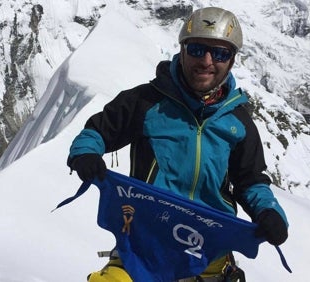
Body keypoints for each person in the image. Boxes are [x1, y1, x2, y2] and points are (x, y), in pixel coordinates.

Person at [67, 7, 288, 282]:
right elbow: (97, 132)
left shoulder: (238, 121)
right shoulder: (147, 102)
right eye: (197, 49)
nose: (207, 61)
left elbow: (250, 180)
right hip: (144, 241)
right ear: (182, 50)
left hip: (209, 249)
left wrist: (268, 211)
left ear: (231, 60)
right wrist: (85, 154)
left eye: (220, 53)